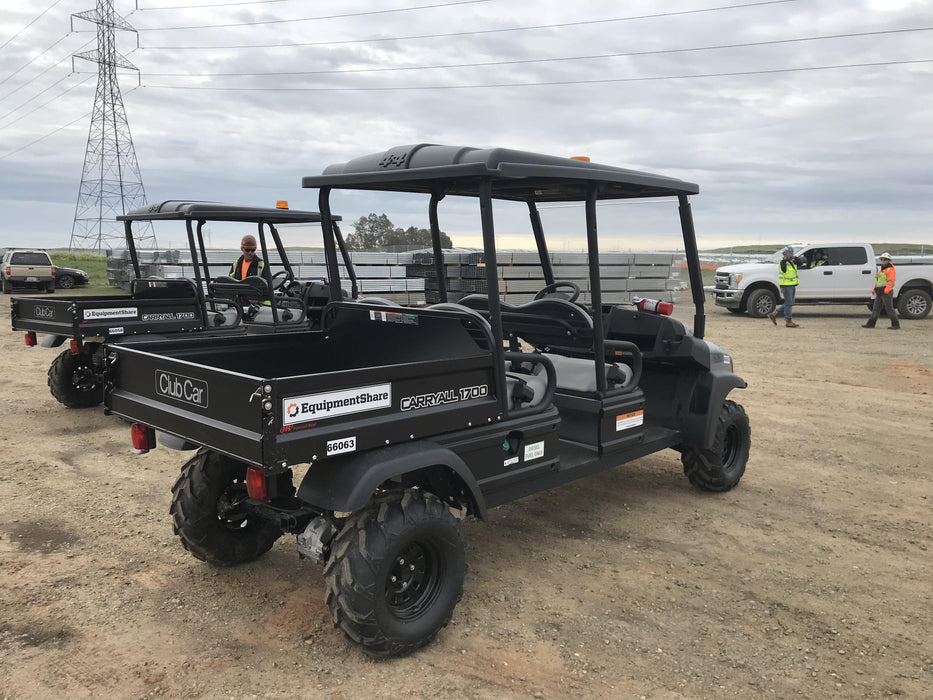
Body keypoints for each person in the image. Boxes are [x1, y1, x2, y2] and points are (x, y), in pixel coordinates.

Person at [862, 252, 899, 330]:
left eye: (884, 259)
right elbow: (879, 281)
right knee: (876, 308)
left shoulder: (890, 270)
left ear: (888, 261)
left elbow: (891, 282)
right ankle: (871, 324)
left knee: (889, 308)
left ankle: (895, 324)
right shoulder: (882, 270)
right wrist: (874, 289)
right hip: (879, 291)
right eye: (882, 259)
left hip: (886, 292)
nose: (882, 261)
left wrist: (886, 291)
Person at [768, 246, 800, 328]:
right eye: (790, 253)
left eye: (792, 253)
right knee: (789, 303)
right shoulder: (783, 262)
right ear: (785, 254)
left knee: (789, 303)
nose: (791, 254)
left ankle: (774, 314)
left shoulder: (792, 261)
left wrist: (795, 258)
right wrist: (786, 259)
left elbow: (800, 263)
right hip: (786, 285)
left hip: (792, 284)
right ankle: (788, 321)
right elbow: (784, 269)